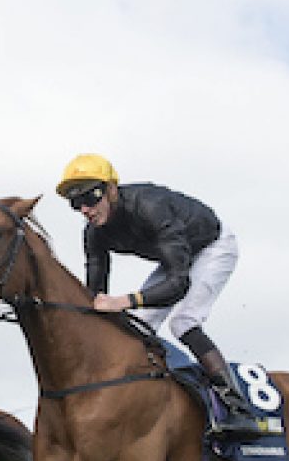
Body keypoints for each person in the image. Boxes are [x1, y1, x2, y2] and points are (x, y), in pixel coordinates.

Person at [54, 155, 262, 437]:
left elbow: (179, 284)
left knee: (184, 322)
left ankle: (239, 409)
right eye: (76, 203)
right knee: (138, 327)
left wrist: (124, 301)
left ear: (112, 190)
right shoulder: (94, 234)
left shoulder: (150, 207)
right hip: (176, 257)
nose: (85, 209)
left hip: (211, 247)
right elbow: (95, 296)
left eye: (90, 198)